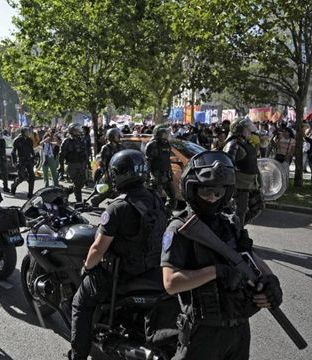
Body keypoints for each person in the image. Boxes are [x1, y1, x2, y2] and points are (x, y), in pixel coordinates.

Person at [161, 151, 283, 360]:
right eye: (206, 191)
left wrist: (271, 282)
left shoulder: (229, 224)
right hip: (203, 332)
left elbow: (250, 257)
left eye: (218, 193)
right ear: (192, 188)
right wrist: (217, 271)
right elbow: (171, 282)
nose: (212, 198)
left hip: (238, 328)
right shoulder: (180, 228)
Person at [69, 149, 167, 360]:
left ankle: (77, 355)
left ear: (118, 174)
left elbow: (97, 249)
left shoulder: (118, 207)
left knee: (80, 302)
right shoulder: (155, 198)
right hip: (150, 268)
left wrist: (86, 267)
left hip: (120, 275)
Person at [222, 118, 262, 225]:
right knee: (240, 212)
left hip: (251, 184)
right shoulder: (233, 144)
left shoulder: (245, 143)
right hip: (239, 185)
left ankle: (235, 228)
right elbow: (227, 164)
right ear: (239, 130)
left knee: (258, 207)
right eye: (247, 129)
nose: (250, 131)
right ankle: (236, 232)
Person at [146, 126, 176, 211]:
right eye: (165, 133)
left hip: (166, 174)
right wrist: (148, 177)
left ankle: (167, 214)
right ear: (160, 133)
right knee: (155, 200)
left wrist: (170, 173)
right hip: (156, 175)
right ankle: (154, 216)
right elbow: (148, 161)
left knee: (172, 198)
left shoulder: (167, 144)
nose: (167, 134)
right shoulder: (152, 145)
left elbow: (167, 160)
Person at [90, 127, 123, 206]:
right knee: (107, 189)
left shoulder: (120, 147)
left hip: (117, 171)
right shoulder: (106, 148)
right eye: (117, 136)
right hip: (109, 171)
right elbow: (103, 162)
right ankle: (95, 201)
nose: (119, 137)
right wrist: (105, 173)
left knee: (119, 189)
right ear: (112, 137)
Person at [59, 124, 88, 203]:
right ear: (72, 131)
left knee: (81, 183)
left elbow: (84, 153)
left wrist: (86, 163)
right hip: (72, 165)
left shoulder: (80, 140)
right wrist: (61, 167)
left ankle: (67, 191)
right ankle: (79, 202)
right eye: (77, 130)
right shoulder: (67, 141)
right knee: (77, 183)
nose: (79, 131)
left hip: (81, 164)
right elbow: (61, 155)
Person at [11, 127, 36, 198]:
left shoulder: (30, 140)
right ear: (22, 132)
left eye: (28, 131)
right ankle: (14, 186)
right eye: (26, 132)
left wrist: (34, 158)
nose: (28, 133)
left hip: (29, 160)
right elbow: (13, 152)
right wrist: (15, 162)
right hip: (21, 160)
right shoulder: (17, 140)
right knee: (21, 177)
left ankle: (30, 193)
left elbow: (32, 150)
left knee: (32, 177)